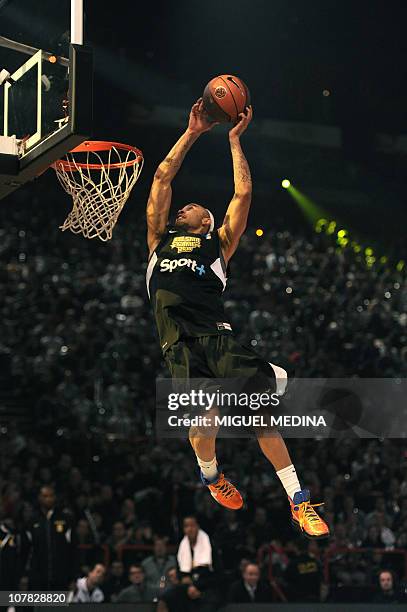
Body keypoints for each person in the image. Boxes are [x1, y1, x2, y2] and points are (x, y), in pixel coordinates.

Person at [145, 98, 329, 539]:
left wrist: (233, 141)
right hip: (179, 344)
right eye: (182, 206)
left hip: (216, 339)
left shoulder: (219, 243)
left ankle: (299, 501)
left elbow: (242, 194)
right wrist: (192, 132)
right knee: (202, 425)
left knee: (262, 414)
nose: (183, 206)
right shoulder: (157, 239)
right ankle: (211, 476)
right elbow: (161, 177)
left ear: (206, 221)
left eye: (193, 207)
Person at [28, 485, 74, 590]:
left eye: (51, 496)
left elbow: (72, 549)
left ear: (55, 497)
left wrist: (73, 577)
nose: (48, 499)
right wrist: (25, 575)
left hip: (61, 577)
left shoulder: (66, 519)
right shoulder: (32, 521)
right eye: (45, 496)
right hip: (38, 577)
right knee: (40, 605)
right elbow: (26, 550)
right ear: (39, 498)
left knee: (57, 605)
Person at [176, 516, 222, 611]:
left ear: (198, 527)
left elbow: (218, 573)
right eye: (186, 526)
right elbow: (180, 573)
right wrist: (189, 586)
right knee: (168, 597)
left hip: (207, 588)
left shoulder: (209, 546)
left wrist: (196, 586)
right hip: (187, 589)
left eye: (192, 525)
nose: (190, 529)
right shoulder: (182, 547)